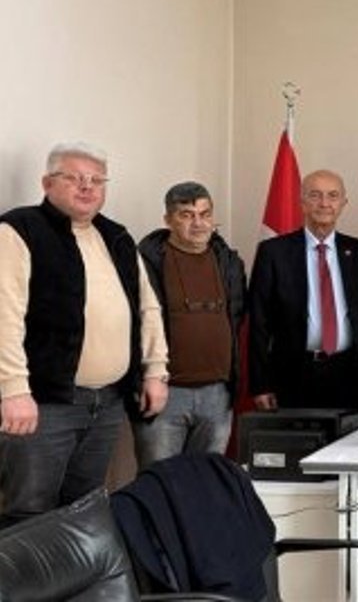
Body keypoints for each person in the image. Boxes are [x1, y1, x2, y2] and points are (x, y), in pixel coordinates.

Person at [0, 142, 169, 527]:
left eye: (96, 180)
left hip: (106, 404)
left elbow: (147, 308)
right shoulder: (19, 230)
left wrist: (156, 371)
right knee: (28, 515)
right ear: (47, 183)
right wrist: (13, 390)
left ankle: (72, 574)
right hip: (43, 404)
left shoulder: (116, 236)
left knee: (85, 513)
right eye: (74, 178)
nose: (87, 187)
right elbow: (4, 316)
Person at [248, 170, 358, 410]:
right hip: (293, 375)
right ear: (302, 202)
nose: (324, 203)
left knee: (350, 436)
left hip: (350, 375)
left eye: (333, 196)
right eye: (315, 195)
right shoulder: (273, 252)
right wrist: (261, 384)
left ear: (343, 203)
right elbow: (259, 323)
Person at [135, 182, 245, 468]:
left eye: (205, 214)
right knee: (159, 480)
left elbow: (236, 318)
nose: (198, 223)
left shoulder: (229, 262)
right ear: (168, 220)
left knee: (206, 479)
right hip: (165, 392)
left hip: (218, 394)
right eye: (186, 215)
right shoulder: (145, 262)